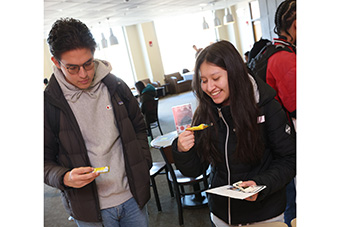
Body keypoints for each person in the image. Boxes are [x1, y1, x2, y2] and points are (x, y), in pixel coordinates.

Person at [172, 40, 296, 226]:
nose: (209, 87)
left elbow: (289, 160)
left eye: (216, 78)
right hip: (222, 214)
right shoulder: (206, 111)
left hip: (264, 214)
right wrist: (183, 150)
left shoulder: (266, 106)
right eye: (203, 81)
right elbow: (196, 169)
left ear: (235, 73)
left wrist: (260, 185)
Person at [44, 18, 152, 227]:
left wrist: (143, 161)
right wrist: (65, 178)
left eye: (88, 63)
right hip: (89, 208)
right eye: (72, 68)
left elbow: (139, 127)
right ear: (56, 63)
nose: (83, 74)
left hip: (133, 198)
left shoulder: (116, 86)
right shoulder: (48, 104)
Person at [267, 1, 297, 226]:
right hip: (285, 141)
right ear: (295, 26)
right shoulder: (283, 58)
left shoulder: (284, 52)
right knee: (293, 204)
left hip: (285, 137)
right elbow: (297, 105)